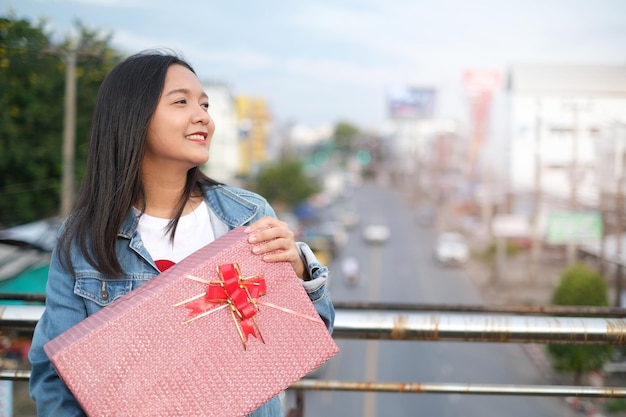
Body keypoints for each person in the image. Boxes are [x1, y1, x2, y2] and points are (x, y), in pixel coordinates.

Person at [28, 49, 335, 417]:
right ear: (133, 117)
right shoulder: (81, 241)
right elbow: (53, 377)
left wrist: (300, 272)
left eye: (205, 105)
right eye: (181, 102)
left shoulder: (249, 217)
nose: (202, 116)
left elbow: (308, 337)